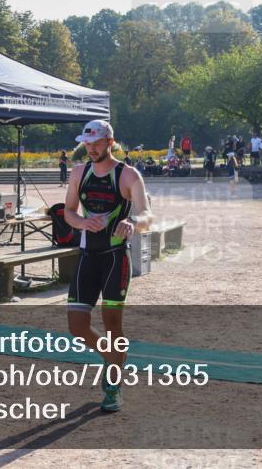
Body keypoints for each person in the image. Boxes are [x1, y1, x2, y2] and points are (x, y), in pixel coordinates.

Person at [64, 119, 152, 412]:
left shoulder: (128, 175)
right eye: (86, 144)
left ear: (110, 142)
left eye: (96, 143)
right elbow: (68, 211)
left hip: (115, 258)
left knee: (113, 325)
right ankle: (113, 357)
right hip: (88, 256)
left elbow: (147, 215)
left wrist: (132, 222)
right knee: (77, 327)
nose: (90, 148)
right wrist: (80, 222)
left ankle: (113, 383)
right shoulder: (79, 172)